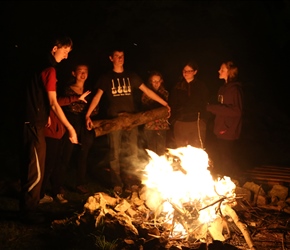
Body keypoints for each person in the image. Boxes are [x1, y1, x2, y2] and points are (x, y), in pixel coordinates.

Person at [85, 47, 170, 195]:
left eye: (122, 55)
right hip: (114, 121)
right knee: (114, 153)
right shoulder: (106, 78)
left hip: (131, 120)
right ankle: (117, 184)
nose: (120, 58)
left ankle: (133, 182)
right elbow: (97, 97)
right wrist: (88, 114)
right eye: (117, 56)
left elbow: (147, 91)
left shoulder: (131, 76)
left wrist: (164, 104)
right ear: (111, 58)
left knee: (133, 152)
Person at [19, 35, 78, 224]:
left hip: (32, 121)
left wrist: (43, 116)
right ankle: (29, 212)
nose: (67, 56)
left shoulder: (37, 65)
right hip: (34, 124)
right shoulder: (50, 70)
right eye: (65, 51)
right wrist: (70, 128)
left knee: (32, 165)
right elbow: (53, 102)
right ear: (55, 48)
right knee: (36, 169)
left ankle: (28, 208)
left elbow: (38, 97)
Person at [59, 63, 98, 194]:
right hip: (71, 122)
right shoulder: (67, 89)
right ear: (74, 73)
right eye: (80, 71)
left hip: (84, 123)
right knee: (66, 154)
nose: (83, 74)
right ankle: (58, 184)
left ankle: (80, 183)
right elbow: (62, 107)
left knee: (83, 154)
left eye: (85, 71)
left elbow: (95, 108)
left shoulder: (90, 91)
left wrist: (90, 117)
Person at [206, 61, 243, 177]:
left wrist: (213, 108)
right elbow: (221, 107)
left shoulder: (235, 90)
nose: (219, 71)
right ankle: (224, 181)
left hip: (229, 130)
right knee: (222, 158)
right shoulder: (222, 88)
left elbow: (237, 111)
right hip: (220, 129)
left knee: (228, 159)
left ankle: (233, 182)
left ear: (229, 72)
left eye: (222, 69)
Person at [169, 60, 209, 149]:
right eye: (184, 70)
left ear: (195, 72)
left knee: (197, 150)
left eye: (189, 71)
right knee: (181, 151)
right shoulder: (177, 86)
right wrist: (173, 121)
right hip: (180, 123)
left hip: (197, 123)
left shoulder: (201, 86)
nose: (186, 73)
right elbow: (172, 104)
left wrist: (203, 120)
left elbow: (205, 103)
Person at [141, 71, 170, 156]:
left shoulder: (165, 93)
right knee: (152, 150)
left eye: (158, 81)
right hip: (150, 125)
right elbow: (144, 108)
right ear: (150, 81)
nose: (156, 83)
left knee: (161, 150)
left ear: (161, 81)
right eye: (154, 81)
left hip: (162, 125)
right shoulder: (146, 94)